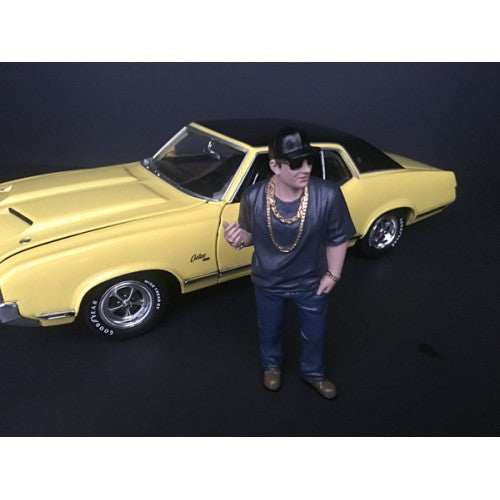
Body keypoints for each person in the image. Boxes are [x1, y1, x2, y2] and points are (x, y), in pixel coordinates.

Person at [222, 127, 356, 399]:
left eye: (309, 160)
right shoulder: (253, 196)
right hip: (268, 282)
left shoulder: (328, 194)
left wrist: (333, 274)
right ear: (275, 166)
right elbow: (250, 235)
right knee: (269, 330)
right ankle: (271, 366)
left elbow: (338, 237)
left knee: (315, 333)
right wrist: (237, 238)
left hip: (311, 282)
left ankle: (314, 372)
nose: (306, 169)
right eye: (296, 163)